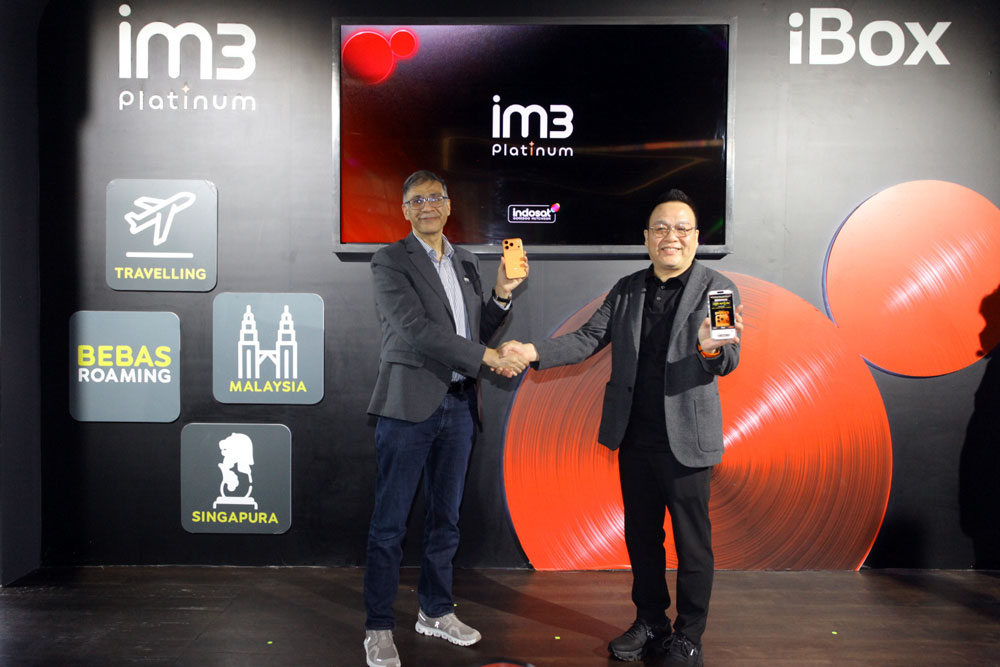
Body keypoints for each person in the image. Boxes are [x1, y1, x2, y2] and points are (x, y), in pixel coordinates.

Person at [499, 189, 741, 666]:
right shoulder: (628, 289)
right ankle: (651, 621)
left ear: (696, 238)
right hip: (634, 436)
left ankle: (689, 636)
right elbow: (589, 338)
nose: (671, 237)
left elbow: (727, 357)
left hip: (687, 441)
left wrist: (711, 346)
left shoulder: (718, 289)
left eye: (681, 229)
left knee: (693, 544)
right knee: (642, 538)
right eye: (661, 228)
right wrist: (532, 351)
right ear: (647, 238)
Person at [363, 170, 528, 667]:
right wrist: (488, 358)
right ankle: (378, 626)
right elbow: (416, 330)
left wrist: (501, 294)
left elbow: (476, 330)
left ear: (449, 205)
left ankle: (435, 611)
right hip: (408, 407)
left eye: (435, 197)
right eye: (416, 200)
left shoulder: (468, 262)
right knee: (389, 525)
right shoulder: (390, 260)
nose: (427, 206)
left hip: (459, 407)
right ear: (405, 211)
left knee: (446, 520)